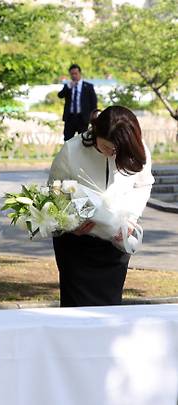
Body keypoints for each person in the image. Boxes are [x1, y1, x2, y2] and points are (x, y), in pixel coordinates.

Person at [48, 106, 154, 307]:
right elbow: (54, 191)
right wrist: (69, 223)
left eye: (116, 151)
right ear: (96, 133)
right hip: (76, 245)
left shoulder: (137, 150)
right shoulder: (72, 150)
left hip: (116, 241)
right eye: (106, 148)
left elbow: (143, 184)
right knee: (76, 309)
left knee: (110, 307)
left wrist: (131, 218)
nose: (111, 154)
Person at [58, 64, 98, 141]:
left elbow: (93, 102)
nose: (74, 76)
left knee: (83, 139)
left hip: (82, 118)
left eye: (75, 73)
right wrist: (69, 87)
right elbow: (60, 95)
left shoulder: (88, 86)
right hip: (70, 117)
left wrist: (93, 116)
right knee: (68, 139)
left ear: (80, 73)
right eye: (72, 74)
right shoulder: (68, 86)